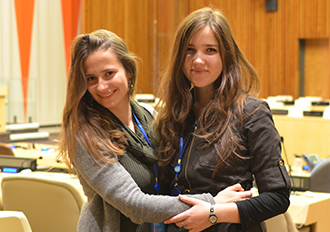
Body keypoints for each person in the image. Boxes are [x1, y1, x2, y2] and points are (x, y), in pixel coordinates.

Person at [56, 29, 252, 232]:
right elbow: (135, 205)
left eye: (109, 74)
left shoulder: (151, 116)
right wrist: (212, 202)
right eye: (91, 79)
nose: (102, 86)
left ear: (129, 71)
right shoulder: (85, 136)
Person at [154, 7, 291, 232]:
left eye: (210, 50)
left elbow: (277, 197)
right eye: (190, 50)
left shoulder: (251, 113)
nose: (198, 60)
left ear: (225, 55)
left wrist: (213, 214)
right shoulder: (174, 116)